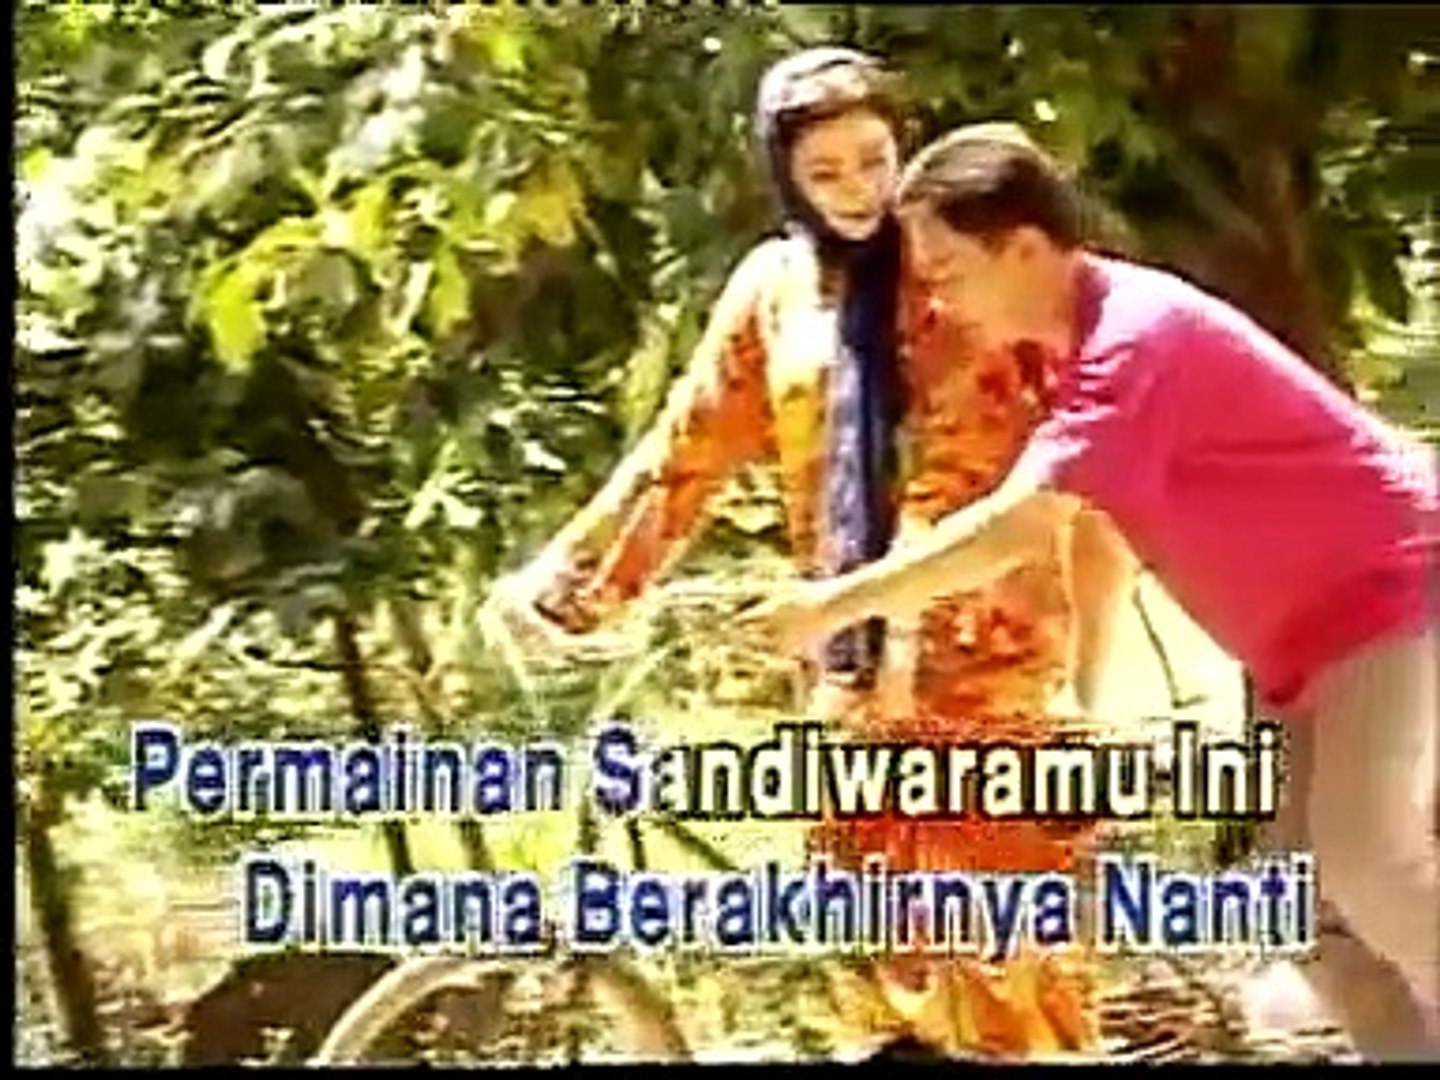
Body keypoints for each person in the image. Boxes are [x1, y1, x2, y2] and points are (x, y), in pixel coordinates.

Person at [485, 51, 1138, 1059]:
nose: (858, 191)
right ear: (785, 178)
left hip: (989, 668)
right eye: (825, 173)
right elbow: (686, 452)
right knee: (877, 984)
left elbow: (987, 469)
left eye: (874, 160)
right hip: (846, 671)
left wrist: (913, 639)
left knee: (1006, 986)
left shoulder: (953, 272)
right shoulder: (774, 290)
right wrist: (567, 584)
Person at [741, 122, 1440, 1060]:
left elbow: (1022, 522)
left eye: (949, 272)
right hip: (1310, 641)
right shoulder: (1074, 358)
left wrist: (833, 606)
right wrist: (1086, 687)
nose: (937, 300)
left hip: (1395, 589)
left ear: (1026, 249)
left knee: (1370, 860)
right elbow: (1093, 524)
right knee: (1304, 902)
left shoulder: (1134, 340)